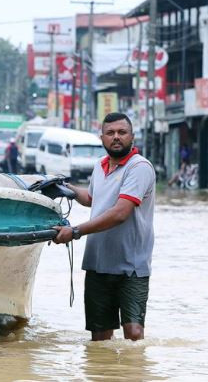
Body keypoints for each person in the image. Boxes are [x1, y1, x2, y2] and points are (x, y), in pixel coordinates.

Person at [52, 112, 156, 342]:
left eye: (122, 132)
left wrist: (75, 231)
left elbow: (120, 213)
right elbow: (91, 198)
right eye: (110, 133)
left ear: (132, 137)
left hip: (132, 266)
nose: (116, 137)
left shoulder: (139, 167)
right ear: (102, 138)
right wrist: (65, 188)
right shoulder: (100, 167)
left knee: (134, 334)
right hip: (98, 263)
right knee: (99, 337)